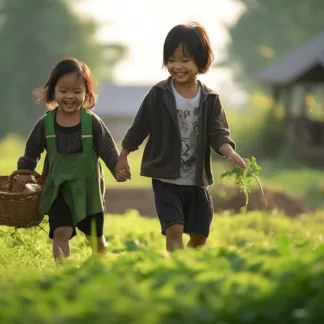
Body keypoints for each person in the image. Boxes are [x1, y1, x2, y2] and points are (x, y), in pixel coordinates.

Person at [115, 22, 246, 252]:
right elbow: (139, 127)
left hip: (197, 180)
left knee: (199, 236)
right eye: (171, 60)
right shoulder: (159, 94)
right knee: (173, 229)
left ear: (201, 60)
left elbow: (219, 134)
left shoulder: (210, 99)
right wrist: (124, 155)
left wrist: (231, 153)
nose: (177, 66)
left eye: (184, 60)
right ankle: (176, 270)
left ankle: (190, 268)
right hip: (166, 179)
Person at [15, 57, 128, 261]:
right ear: (53, 92)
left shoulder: (92, 122)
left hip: (88, 191)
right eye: (64, 91)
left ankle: (100, 265)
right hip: (57, 189)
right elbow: (31, 151)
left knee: (94, 237)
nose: (69, 96)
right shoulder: (46, 123)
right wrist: (24, 171)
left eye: (76, 91)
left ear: (86, 94)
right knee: (61, 232)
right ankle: (63, 272)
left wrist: (118, 168)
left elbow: (109, 150)